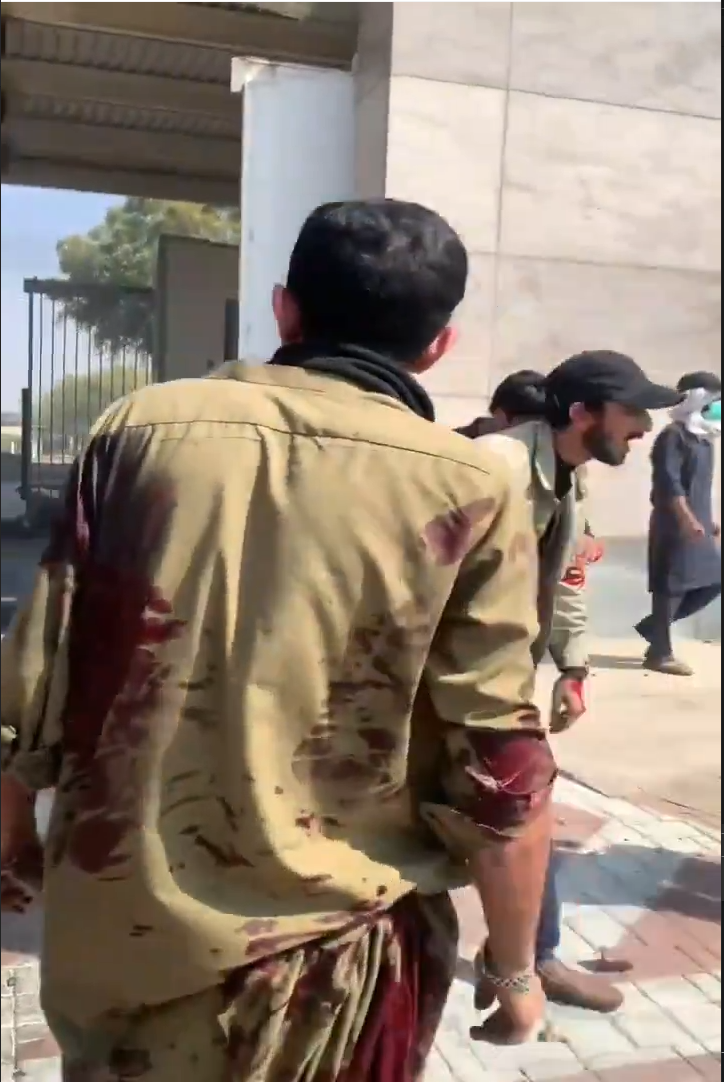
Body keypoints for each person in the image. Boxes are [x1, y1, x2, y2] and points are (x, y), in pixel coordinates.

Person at [1, 199, 557, 1081]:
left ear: (284, 310)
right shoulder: (473, 486)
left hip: (123, 938)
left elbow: (37, 672)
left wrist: (14, 834)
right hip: (332, 967)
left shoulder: (139, 431)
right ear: (438, 345)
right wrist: (514, 968)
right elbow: (499, 759)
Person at [465, 353, 681, 1014]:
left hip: (499, 685)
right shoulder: (491, 468)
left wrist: (574, 668)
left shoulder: (570, 478)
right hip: (452, 688)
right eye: (632, 411)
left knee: (524, 814)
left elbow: (563, 581)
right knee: (512, 816)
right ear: (583, 413)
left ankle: (528, 958)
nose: (644, 427)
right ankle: (521, 965)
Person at [635, 371, 722, 676]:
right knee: (670, 586)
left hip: (698, 523)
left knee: (713, 579)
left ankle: (654, 629)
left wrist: (708, 520)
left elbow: (701, 487)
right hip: (674, 524)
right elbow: (668, 483)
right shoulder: (673, 436)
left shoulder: (705, 440)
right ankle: (660, 653)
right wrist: (686, 519)